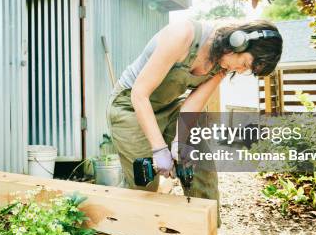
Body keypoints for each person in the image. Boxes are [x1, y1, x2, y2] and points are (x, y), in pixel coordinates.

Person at [106, 19, 283, 210]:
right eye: (245, 64)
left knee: (201, 167)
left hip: (169, 105)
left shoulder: (222, 65)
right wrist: (159, 150)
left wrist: (179, 142)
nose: (240, 71)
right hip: (130, 106)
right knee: (144, 185)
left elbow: (192, 105)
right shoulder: (182, 35)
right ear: (238, 42)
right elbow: (139, 94)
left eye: (247, 70)